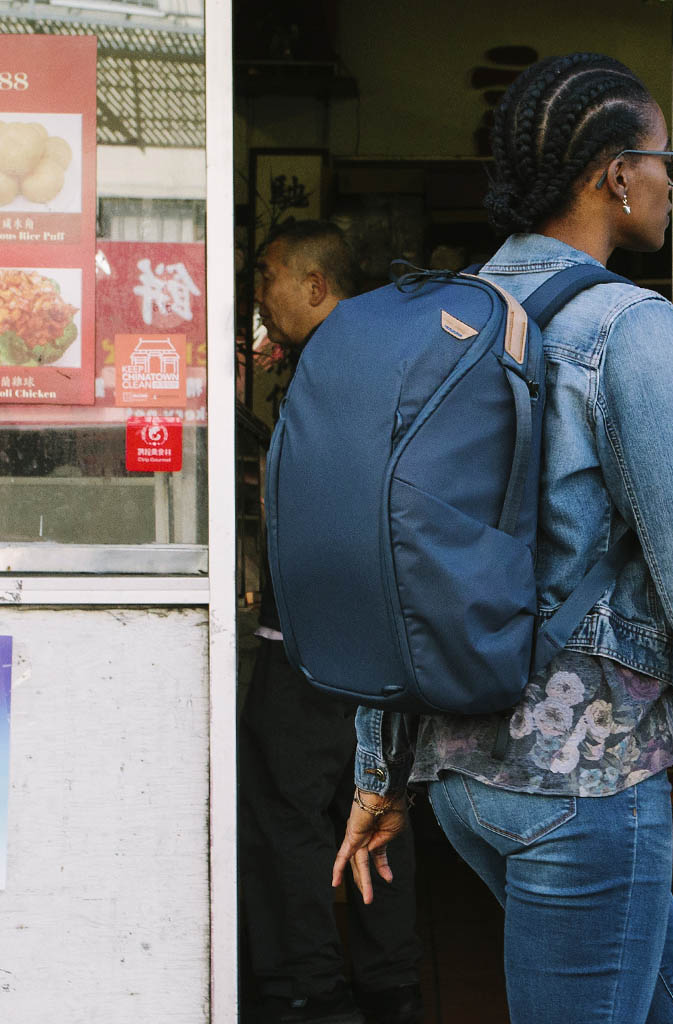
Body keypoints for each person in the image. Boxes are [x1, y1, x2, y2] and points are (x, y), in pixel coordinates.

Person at [332, 54, 673, 1024]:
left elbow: (387, 565)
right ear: (615, 176)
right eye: (667, 159)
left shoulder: (442, 317)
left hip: (462, 780)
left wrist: (381, 770)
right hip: (583, 787)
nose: (671, 180)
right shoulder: (627, 327)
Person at [238, 220, 423, 1024]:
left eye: (269, 276)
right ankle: (392, 989)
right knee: (378, 815)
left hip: (313, 650)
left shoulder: (331, 367)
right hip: (382, 648)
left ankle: (307, 995)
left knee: (293, 826)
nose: (260, 296)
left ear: (315, 285)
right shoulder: (385, 356)